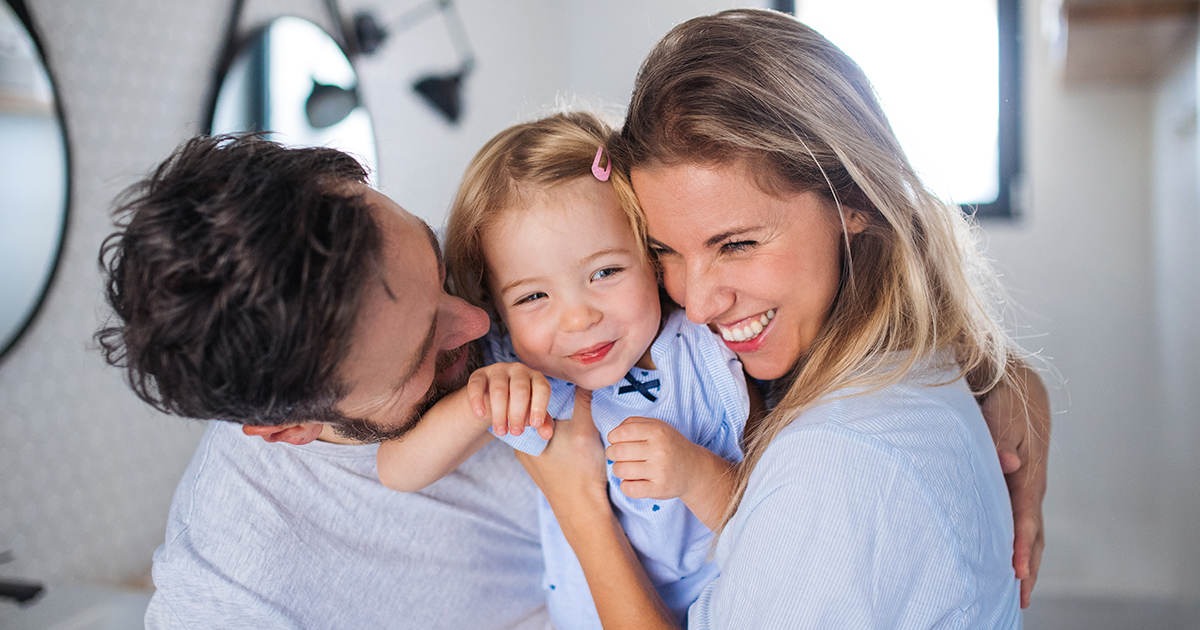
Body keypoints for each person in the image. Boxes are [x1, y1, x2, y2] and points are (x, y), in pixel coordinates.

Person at [513, 8, 1050, 629]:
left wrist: (580, 509)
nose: (698, 302)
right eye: (664, 252)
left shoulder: (834, 465)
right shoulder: (899, 366)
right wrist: (1013, 381)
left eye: (736, 244)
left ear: (855, 201)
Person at [95, 134, 550, 629]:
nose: (478, 320)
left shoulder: (504, 240)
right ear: (290, 429)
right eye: (423, 356)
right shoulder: (233, 590)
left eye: (438, 270)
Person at [375, 112, 753, 628]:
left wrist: (694, 473)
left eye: (605, 271)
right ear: (498, 307)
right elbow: (397, 470)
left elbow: (765, 532)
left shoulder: (706, 349)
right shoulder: (530, 376)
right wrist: (477, 401)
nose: (578, 318)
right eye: (532, 296)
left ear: (651, 254)